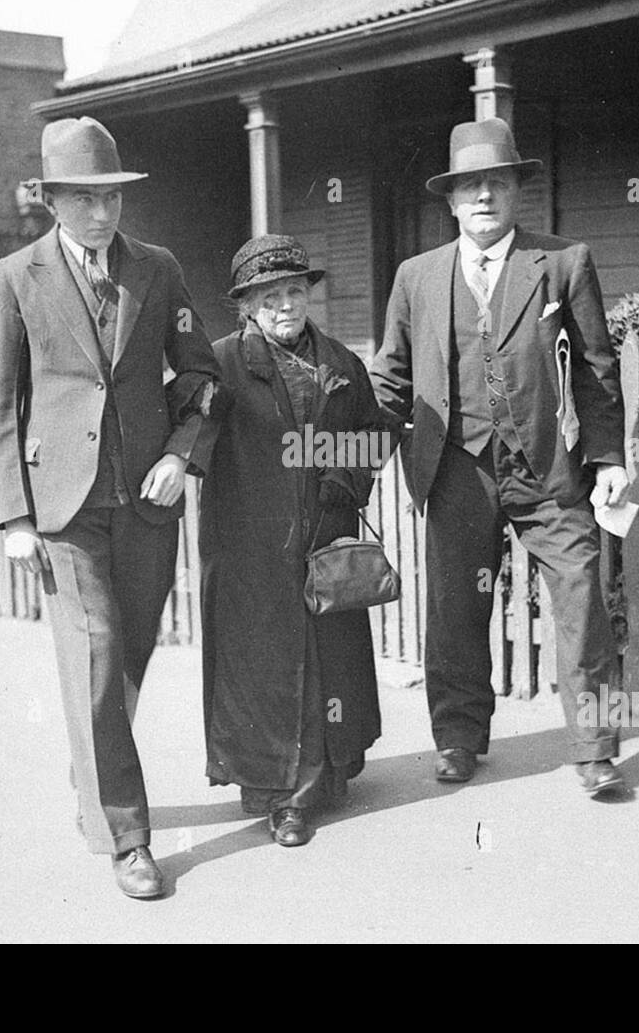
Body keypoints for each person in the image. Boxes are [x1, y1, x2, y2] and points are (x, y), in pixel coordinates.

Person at [0, 116, 224, 898]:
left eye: (110, 197)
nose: (100, 214)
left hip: (145, 499)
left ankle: (91, 769)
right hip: (62, 507)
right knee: (99, 650)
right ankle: (129, 836)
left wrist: (183, 453)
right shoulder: (15, 277)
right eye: (82, 199)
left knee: (130, 656)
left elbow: (200, 376)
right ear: (51, 200)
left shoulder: (159, 268)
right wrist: (14, 515)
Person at [369, 117, 632, 794]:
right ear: (450, 201)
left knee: (581, 597)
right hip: (456, 467)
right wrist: (357, 446)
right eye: (468, 186)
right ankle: (457, 738)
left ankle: (594, 749)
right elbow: (392, 378)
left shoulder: (563, 262)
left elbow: (598, 371)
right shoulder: (417, 276)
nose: (483, 196)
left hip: (549, 469)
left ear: (517, 191)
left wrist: (608, 459)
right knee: (455, 607)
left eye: (496, 182)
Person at [199, 235, 384, 847]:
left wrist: (346, 474)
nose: (286, 305)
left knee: (326, 658)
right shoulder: (221, 363)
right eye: (271, 295)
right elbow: (191, 438)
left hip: (325, 538)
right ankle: (280, 795)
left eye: (296, 292)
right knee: (263, 666)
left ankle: (322, 777)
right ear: (248, 305)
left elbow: (375, 434)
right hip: (250, 546)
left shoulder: (340, 364)